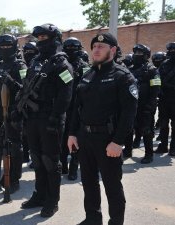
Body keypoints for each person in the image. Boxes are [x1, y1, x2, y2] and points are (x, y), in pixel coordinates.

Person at [68, 32, 138, 225]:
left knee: (112, 185)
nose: (96, 50)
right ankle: (92, 218)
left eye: (101, 47)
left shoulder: (122, 76)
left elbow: (129, 113)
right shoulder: (87, 74)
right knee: (88, 183)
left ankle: (116, 222)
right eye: (94, 47)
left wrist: (118, 142)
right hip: (85, 137)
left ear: (113, 50)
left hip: (108, 140)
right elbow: (76, 107)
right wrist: (72, 133)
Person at [19, 23, 73, 218]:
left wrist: (55, 118)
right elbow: (26, 86)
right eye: (39, 38)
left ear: (55, 38)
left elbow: (66, 95)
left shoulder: (62, 63)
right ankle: (39, 195)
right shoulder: (35, 61)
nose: (41, 41)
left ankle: (52, 200)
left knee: (51, 161)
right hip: (33, 117)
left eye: (45, 38)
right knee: (37, 158)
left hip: (51, 118)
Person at [0, 34, 26, 194]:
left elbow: (26, 89)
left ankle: (14, 179)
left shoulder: (20, 65)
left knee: (14, 147)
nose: (4, 49)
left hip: (14, 112)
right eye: (1, 46)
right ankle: (4, 176)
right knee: (2, 145)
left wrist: (12, 82)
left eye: (7, 46)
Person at [123, 44, 160, 164]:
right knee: (128, 129)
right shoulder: (130, 69)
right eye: (135, 53)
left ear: (146, 55)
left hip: (145, 105)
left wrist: (150, 105)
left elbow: (156, 89)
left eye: (139, 53)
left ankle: (149, 154)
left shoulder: (152, 70)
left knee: (146, 130)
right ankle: (127, 150)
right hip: (131, 105)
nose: (136, 55)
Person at [61, 36, 89, 180]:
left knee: (75, 138)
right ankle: (63, 165)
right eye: (68, 48)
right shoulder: (61, 65)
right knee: (62, 138)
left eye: (74, 48)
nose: (70, 51)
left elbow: (88, 88)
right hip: (63, 106)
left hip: (78, 108)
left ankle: (73, 167)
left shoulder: (85, 67)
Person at [156, 42, 175, 156]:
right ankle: (163, 145)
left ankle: (173, 147)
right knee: (163, 124)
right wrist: (159, 91)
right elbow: (158, 79)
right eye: (171, 51)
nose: (172, 52)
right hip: (164, 99)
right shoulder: (164, 64)